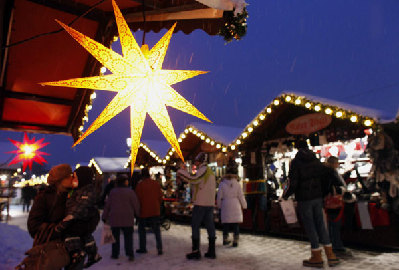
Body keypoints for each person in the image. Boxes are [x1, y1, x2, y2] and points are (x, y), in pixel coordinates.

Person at [28, 164, 98, 270]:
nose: (73, 178)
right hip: (51, 251)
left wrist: (81, 227)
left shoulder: (77, 194)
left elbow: (92, 218)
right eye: (69, 176)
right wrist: (58, 229)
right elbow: (33, 226)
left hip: (73, 250)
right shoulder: (44, 197)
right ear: (59, 180)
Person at [283, 140, 340, 268]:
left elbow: (293, 182)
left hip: (304, 198)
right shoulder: (315, 160)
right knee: (321, 224)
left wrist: (286, 195)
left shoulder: (296, 163)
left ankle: (317, 256)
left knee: (310, 226)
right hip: (317, 197)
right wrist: (325, 191)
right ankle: (330, 255)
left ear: (297, 147)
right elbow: (328, 174)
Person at [54, 166, 102, 268]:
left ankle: (79, 253)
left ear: (82, 179)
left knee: (71, 234)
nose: (73, 180)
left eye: (75, 177)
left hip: (78, 219)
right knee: (82, 236)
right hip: (79, 221)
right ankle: (89, 253)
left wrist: (63, 223)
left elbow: (77, 209)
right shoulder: (76, 191)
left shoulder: (85, 192)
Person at [177, 152, 217, 260]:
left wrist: (181, 172)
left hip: (201, 203)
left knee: (195, 225)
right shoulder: (209, 172)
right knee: (210, 225)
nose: (196, 162)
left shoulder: (203, 170)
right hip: (209, 203)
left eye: (197, 160)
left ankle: (196, 251)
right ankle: (211, 251)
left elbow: (194, 179)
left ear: (202, 161)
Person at [102, 175, 140, 261]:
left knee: (115, 237)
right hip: (128, 217)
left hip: (115, 217)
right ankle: (130, 254)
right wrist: (138, 214)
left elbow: (108, 205)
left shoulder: (112, 192)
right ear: (124, 182)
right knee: (128, 237)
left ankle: (115, 254)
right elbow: (135, 204)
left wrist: (104, 216)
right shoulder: (130, 192)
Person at [325, 156, 352, 258]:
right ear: (334, 163)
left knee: (333, 225)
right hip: (334, 201)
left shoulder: (329, 172)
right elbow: (337, 185)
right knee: (335, 224)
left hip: (330, 201)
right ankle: (337, 245)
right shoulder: (331, 173)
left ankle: (334, 244)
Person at [217, 158, 247, 247]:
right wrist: (244, 205)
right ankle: (235, 240)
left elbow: (219, 196)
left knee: (226, 223)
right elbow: (241, 196)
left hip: (226, 204)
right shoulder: (237, 184)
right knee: (235, 224)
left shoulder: (222, 184)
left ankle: (225, 239)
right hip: (235, 204)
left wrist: (219, 205)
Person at [135, 167, 163, 255]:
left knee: (142, 230)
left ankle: (143, 247)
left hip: (144, 211)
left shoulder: (140, 185)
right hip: (155, 210)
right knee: (157, 230)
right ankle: (159, 248)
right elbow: (160, 197)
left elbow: (137, 199)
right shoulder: (156, 183)